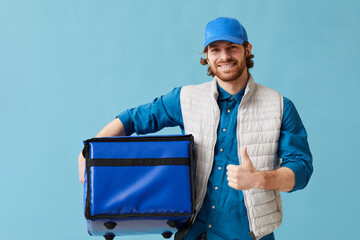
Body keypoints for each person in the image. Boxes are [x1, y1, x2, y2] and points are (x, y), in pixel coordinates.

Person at [78, 17, 313, 240]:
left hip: (249, 235)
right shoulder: (186, 98)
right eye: (215, 50)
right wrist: (89, 152)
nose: (224, 56)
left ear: (247, 49)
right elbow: (133, 119)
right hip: (193, 234)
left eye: (232, 47)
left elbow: (301, 169)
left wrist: (259, 179)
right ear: (207, 56)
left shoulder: (280, 106)